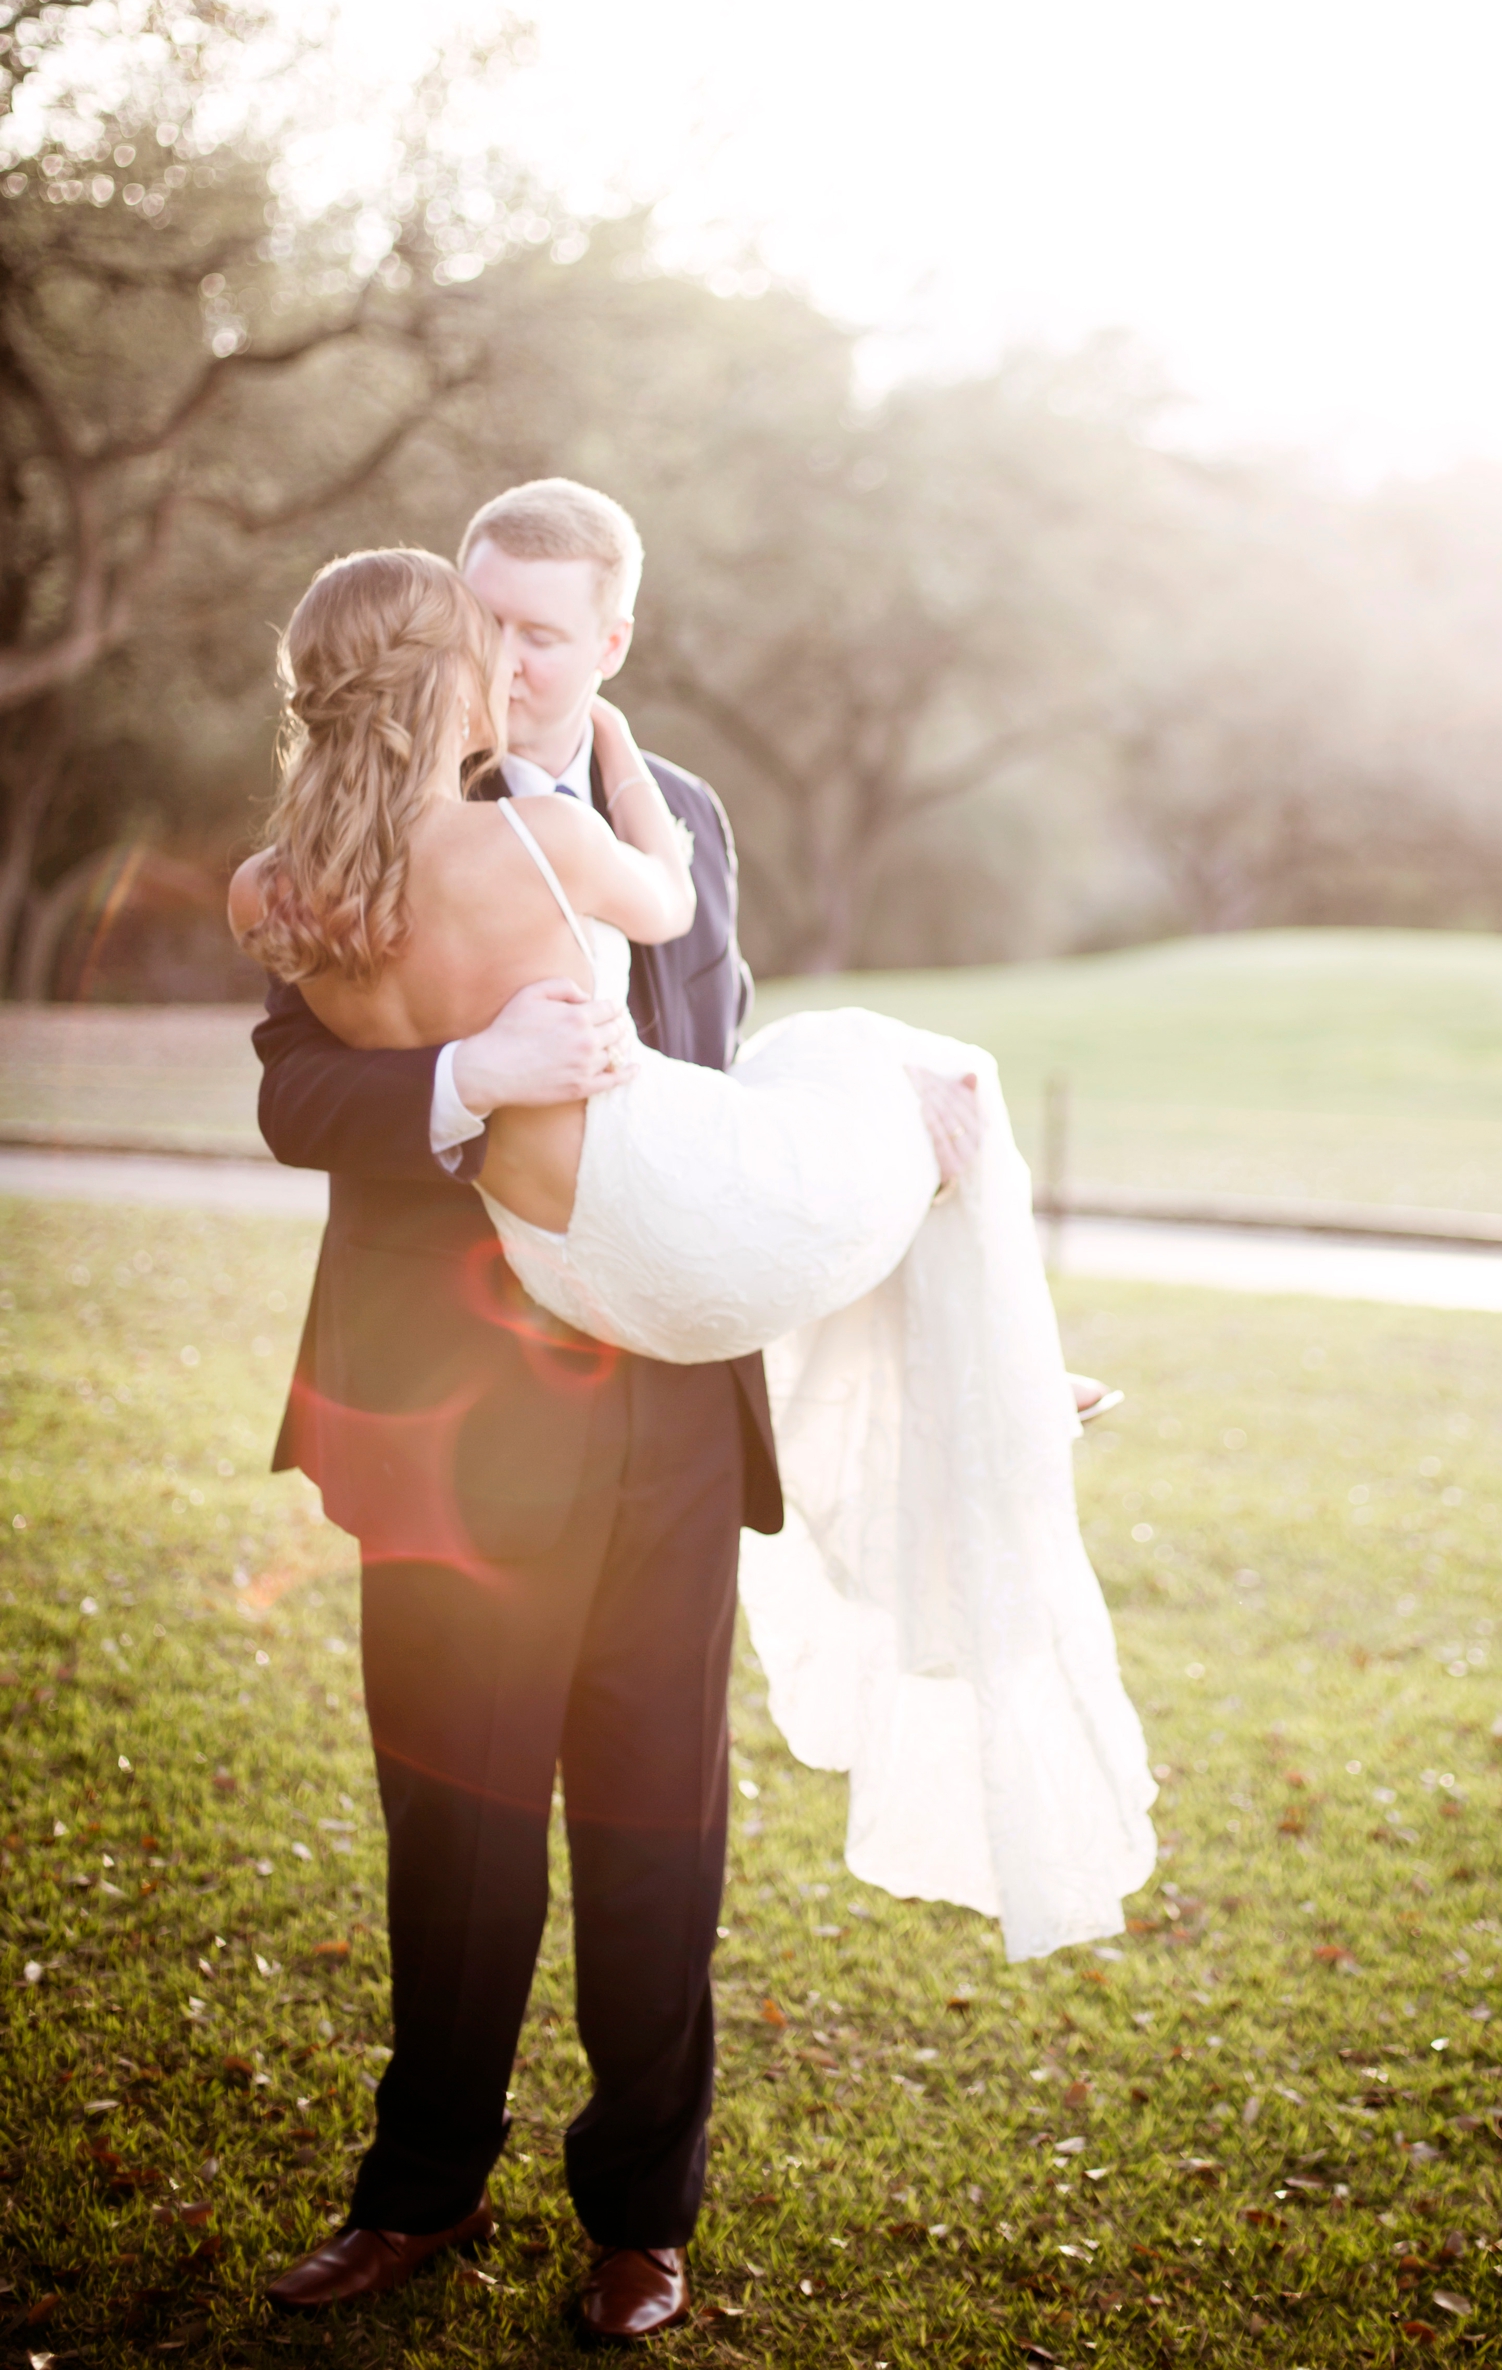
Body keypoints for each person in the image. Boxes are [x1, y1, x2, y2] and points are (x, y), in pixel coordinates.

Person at [239, 489, 1152, 2339]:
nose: (499, 661)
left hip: (660, 1422)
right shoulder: (347, 816)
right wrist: (456, 1085)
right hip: (442, 1416)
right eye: (475, 622)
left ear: (614, 646)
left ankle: (642, 2216)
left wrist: (942, 1298)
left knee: (657, 1833)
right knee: (454, 1832)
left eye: (540, 634)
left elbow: (729, 1135)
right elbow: (289, 1095)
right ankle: (416, 2193)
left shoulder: (685, 827)